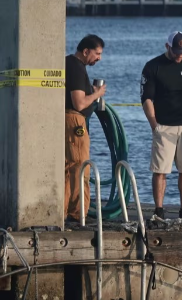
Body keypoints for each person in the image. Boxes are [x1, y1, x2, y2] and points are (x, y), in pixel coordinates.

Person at [140, 31, 182, 220]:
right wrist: (154, 125)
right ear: (167, 46)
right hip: (163, 125)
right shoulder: (153, 66)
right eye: (177, 50)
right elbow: (146, 98)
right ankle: (159, 210)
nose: (180, 54)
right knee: (160, 170)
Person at [65, 34, 106, 222]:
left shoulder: (72, 65)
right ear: (86, 51)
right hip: (74, 122)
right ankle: (77, 212)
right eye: (97, 53)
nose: (99, 58)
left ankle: (66, 210)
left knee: (69, 166)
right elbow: (79, 103)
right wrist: (97, 93)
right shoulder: (75, 67)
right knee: (80, 166)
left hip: (69, 121)